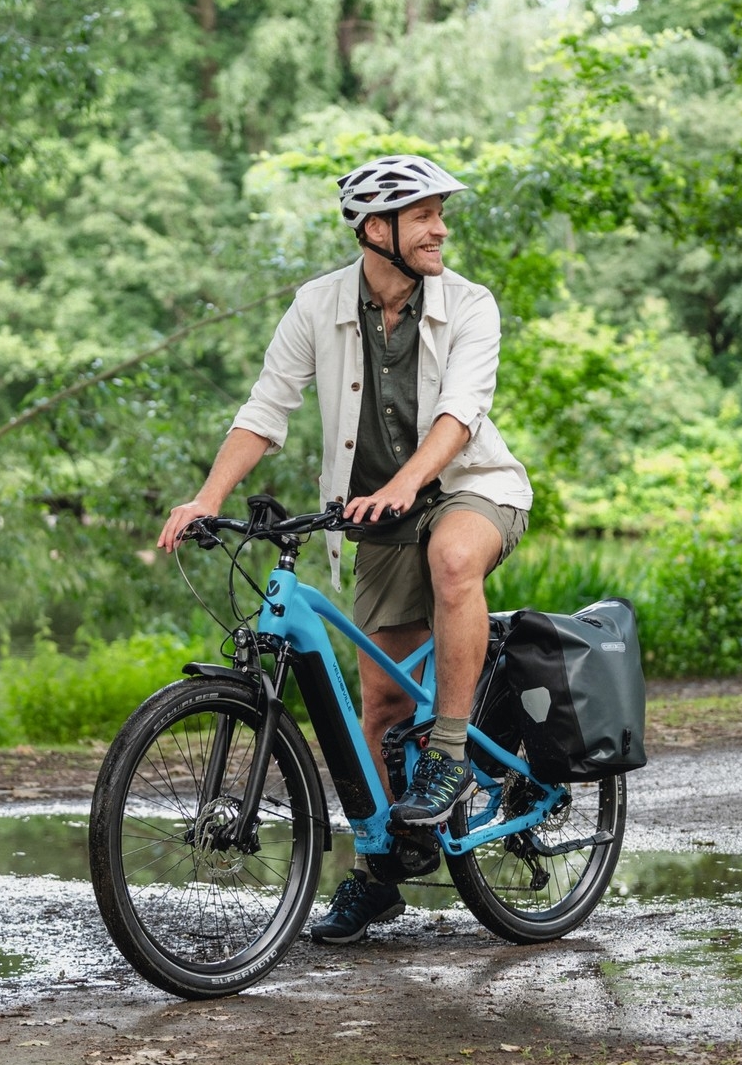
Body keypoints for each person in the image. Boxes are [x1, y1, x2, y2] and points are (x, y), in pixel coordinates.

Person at [156, 154, 533, 945]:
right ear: (375, 229)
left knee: (454, 559)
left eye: (439, 213)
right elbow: (266, 408)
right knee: (383, 706)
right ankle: (378, 871)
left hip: (471, 489)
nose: (440, 229)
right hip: (378, 515)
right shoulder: (318, 305)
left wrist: (406, 482)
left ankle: (451, 752)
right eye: (424, 215)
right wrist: (209, 497)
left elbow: (461, 413)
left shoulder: (470, 304)